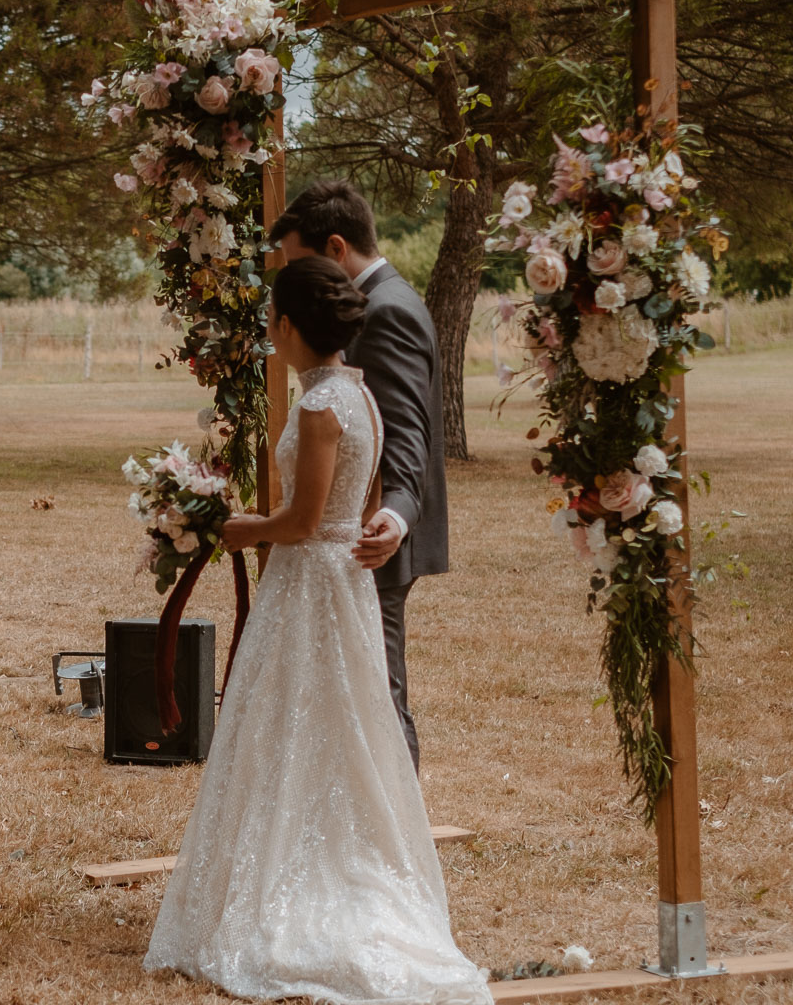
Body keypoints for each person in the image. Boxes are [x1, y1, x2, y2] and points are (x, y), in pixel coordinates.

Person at [145, 256, 489, 1004]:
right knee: (339, 726)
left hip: (309, 582)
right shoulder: (360, 397)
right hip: (346, 584)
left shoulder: (318, 408)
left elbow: (302, 522)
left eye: (275, 321)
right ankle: (322, 854)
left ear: (290, 325)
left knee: (287, 724)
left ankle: (286, 883)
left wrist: (230, 529)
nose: (273, 332)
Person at [272, 180, 446, 772]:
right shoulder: (376, 303)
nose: (297, 284)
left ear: (337, 247)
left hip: (368, 535)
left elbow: (408, 431)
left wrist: (394, 517)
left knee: (377, 695)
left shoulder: (388, 308)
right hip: (345, 533)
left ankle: (401, 845)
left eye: (302, 263)